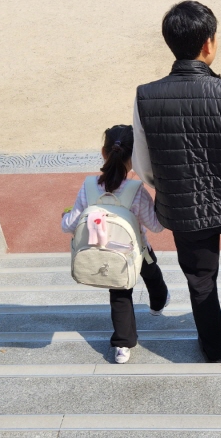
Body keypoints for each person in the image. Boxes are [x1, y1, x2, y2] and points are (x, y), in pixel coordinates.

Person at [133, 1, 221, 364]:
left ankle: (212, 347)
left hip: (182, 209)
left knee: (200, 277)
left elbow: (144, 166)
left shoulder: (144, 97)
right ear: (209, 44)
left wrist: (171, 186)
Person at [61, 125, 170, 365]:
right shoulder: (136, 190)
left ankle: (123, 345)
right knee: (152, 274)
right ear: (134, 157)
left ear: (103, 152)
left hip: (103, 252)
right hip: (137, 250)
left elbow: (69, 225)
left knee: (120, 293)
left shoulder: (89, 186)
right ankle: (158, 303)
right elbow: (156, 226)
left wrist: (65, 213)